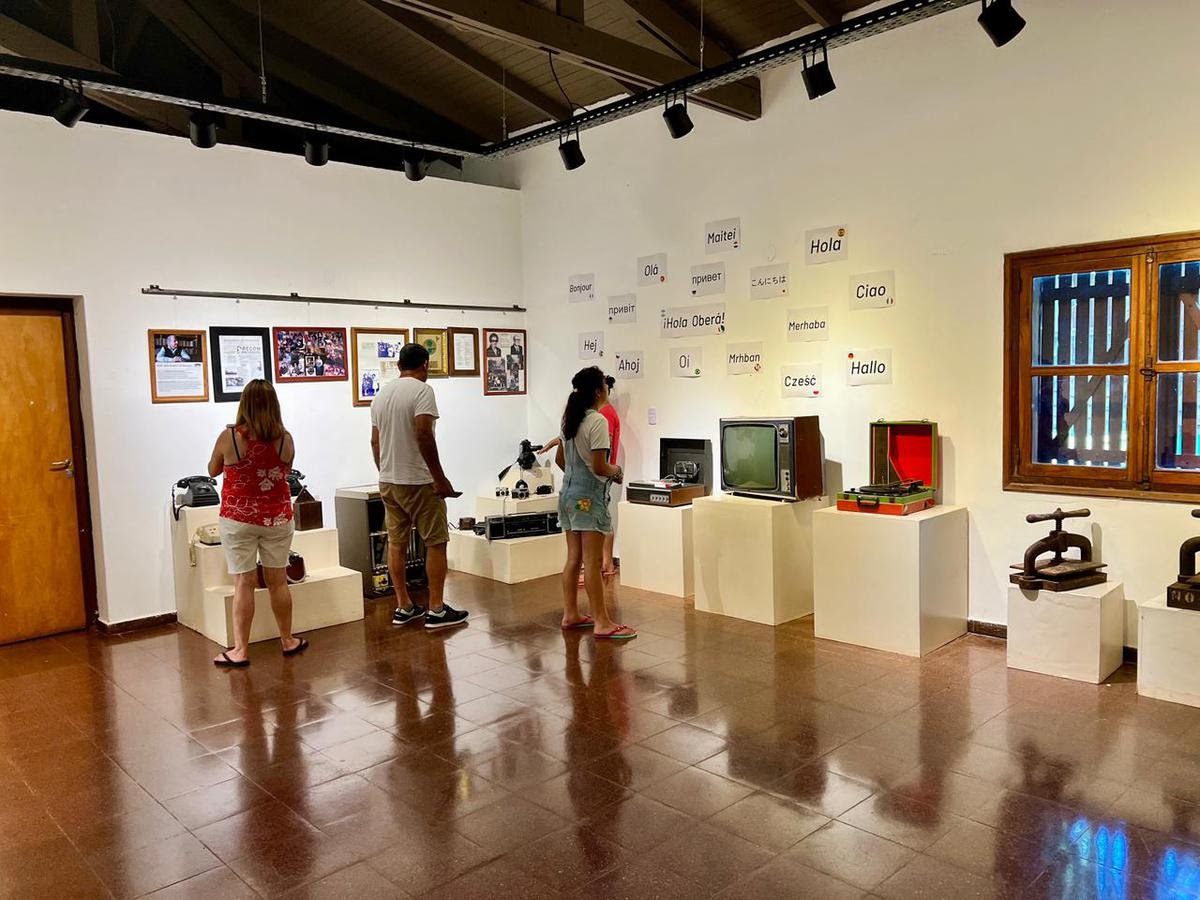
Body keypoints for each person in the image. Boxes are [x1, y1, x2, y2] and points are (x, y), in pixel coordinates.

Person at [207, 379, 308, 666]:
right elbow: (285, 470)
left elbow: (213, 470)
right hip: (277, 518)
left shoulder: (229, 437)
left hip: (238, 518)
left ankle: (240, 650)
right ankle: (287, 639)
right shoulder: (285, 439)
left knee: (244, 582)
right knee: (278, 581)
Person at [371, 342, 468, 630]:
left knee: (396, 543)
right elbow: (424, 434)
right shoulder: (423, 391)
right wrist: (440, 478)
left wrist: (385, 470)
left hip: (388, 481)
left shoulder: (381, 395)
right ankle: (436, 609)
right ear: (425, 364)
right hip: (419, 481)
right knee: (436, 542)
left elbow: (375, 441)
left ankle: (404, 605)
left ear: (399, 365)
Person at [554, 366, 636, 640]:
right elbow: (601, 467)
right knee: (592, 561)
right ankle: (602, 621)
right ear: (600, 391)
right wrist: (617, 471)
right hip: (588, 499)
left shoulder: (569, 419)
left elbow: (560, 461)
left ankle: (571, 614)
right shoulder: (597, 421)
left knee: (573, 558)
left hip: (567, 496)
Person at [598, 375, 621, 578]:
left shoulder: (605, 414)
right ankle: (606, 561)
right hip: (604, 471)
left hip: (602, 473)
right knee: (602, 515)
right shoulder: (605, 412)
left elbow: (606, 446)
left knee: (603, 517)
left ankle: (607, 562)